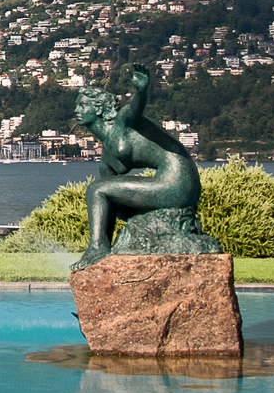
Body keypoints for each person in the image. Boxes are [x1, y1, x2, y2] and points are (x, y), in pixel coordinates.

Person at [72, 66, 202, 271]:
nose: (76, 111)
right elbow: (111, 207)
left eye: (82, 105)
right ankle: (105, 247)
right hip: (169, 184)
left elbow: (135, 107)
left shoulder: (122, 121)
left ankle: (97, 248)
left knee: (95, 189)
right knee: (111, 199)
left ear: (97, 109)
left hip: (179, 179)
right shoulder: (106, 156)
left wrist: (141, 89)